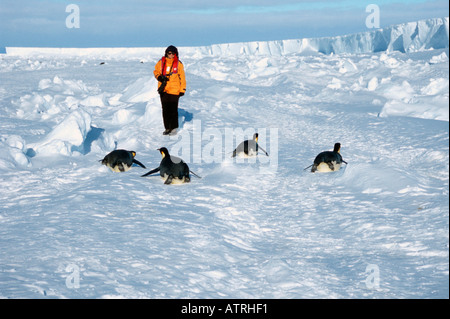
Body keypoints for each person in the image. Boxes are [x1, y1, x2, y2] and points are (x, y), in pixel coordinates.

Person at [153, 45, 186, 135]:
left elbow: (182, 77)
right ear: (166, 53)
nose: (170, 55)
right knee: (165, 110)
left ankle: (174, 128)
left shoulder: (179, 64)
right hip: (163, 90)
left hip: (175, 90)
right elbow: (156, 71)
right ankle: (167, 127)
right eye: (169, 53)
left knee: (173, 110)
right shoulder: (161, 62)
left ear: (175, 54)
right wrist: (159, 78)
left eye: (172, 53)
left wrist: (182, 89)